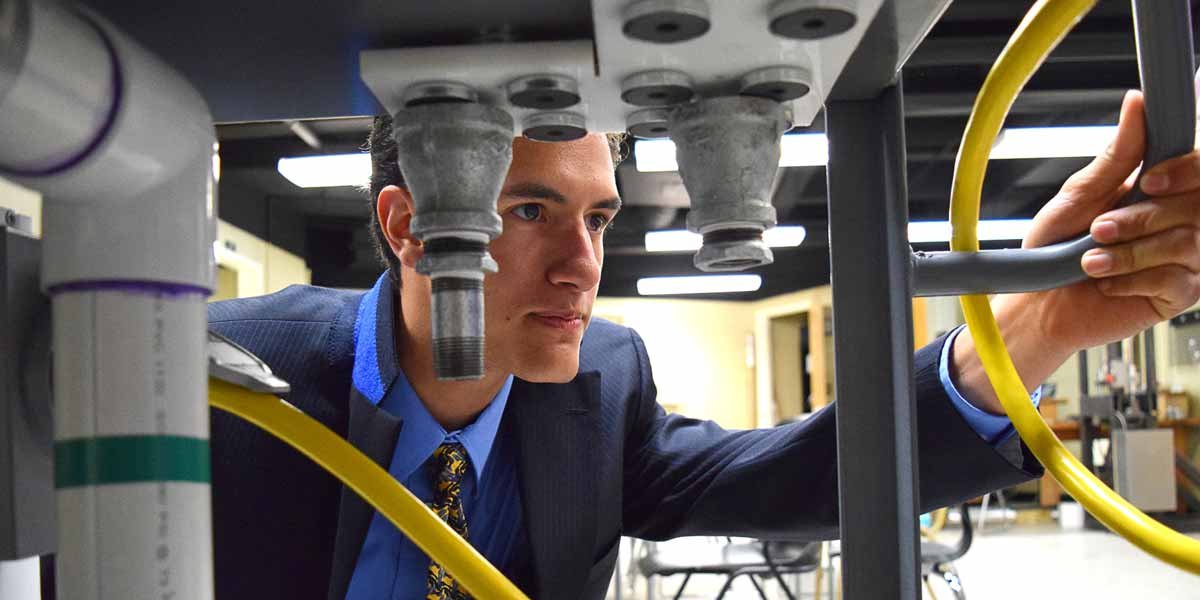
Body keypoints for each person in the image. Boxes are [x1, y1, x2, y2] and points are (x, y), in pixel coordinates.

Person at [208, 90, 1200, 599]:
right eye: (528, 210)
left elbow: (792, 477)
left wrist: (1029, 328)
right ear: (406, 222)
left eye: (597, 219)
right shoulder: (235, 378)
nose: (579, 265)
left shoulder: (601, 381)